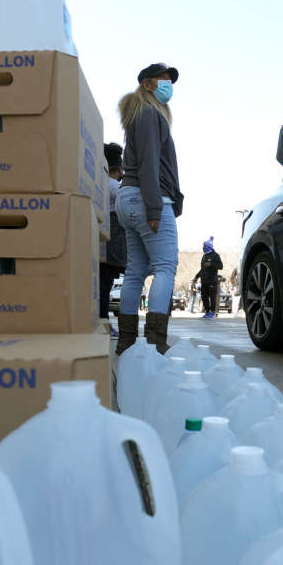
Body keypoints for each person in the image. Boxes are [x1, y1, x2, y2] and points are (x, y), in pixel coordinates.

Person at [114, 63, 183, 354]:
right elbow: (150, 164)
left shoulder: (137, 116)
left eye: (171, 81)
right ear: (147, 84)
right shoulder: (149, 114)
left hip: (127, 198)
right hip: (146, 198)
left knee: (135, 271)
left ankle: (127, 341)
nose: (169, 86)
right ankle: (156, 343)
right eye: (163, 80)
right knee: (165, 268)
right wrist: (155, 209)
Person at [98, 142, 128, 337]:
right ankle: (104, 322)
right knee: (105, 283)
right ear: (117, 169)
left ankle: (101, 320)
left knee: (99, 282)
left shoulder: (96, 183)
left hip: (95, 236)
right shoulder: (116, 187)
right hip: (112, 240)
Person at [192, 237, 223, 319]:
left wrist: (211, 264)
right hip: (204, 281)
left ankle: (212, 312)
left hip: (212, 281)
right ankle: (207, 311)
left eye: (204, 246)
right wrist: (196, 277)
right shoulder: (204, 256)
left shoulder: (215, 255)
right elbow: (202, 269)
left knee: (212, 297)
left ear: (209, 247)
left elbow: (220, 266)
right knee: (204, 297)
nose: (203, 247)